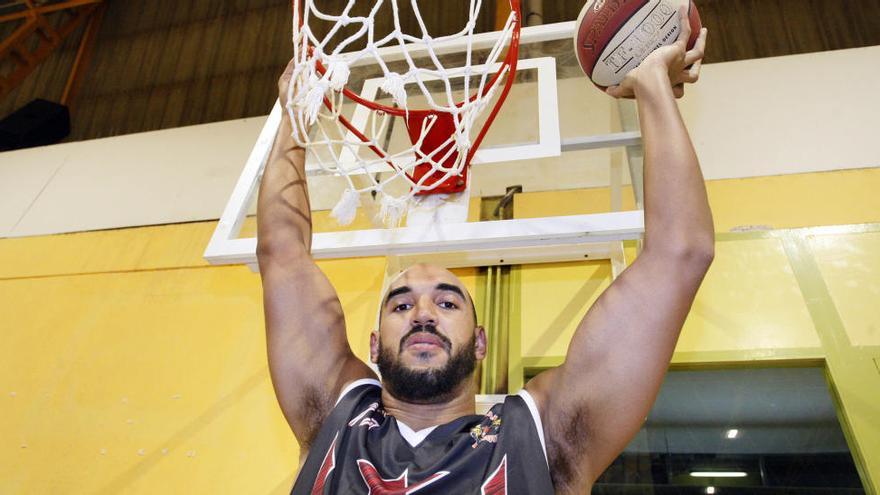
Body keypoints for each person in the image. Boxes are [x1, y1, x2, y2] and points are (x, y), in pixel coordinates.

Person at [256, 10, 712, 494]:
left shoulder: (543, 436)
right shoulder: (334, 411)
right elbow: (281, 253)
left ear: (479, 342)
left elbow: (679, 255)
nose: (423, 313)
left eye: (447, 302)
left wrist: (652, 83)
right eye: (402, 303)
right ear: (372, 345)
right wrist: (294, 118)